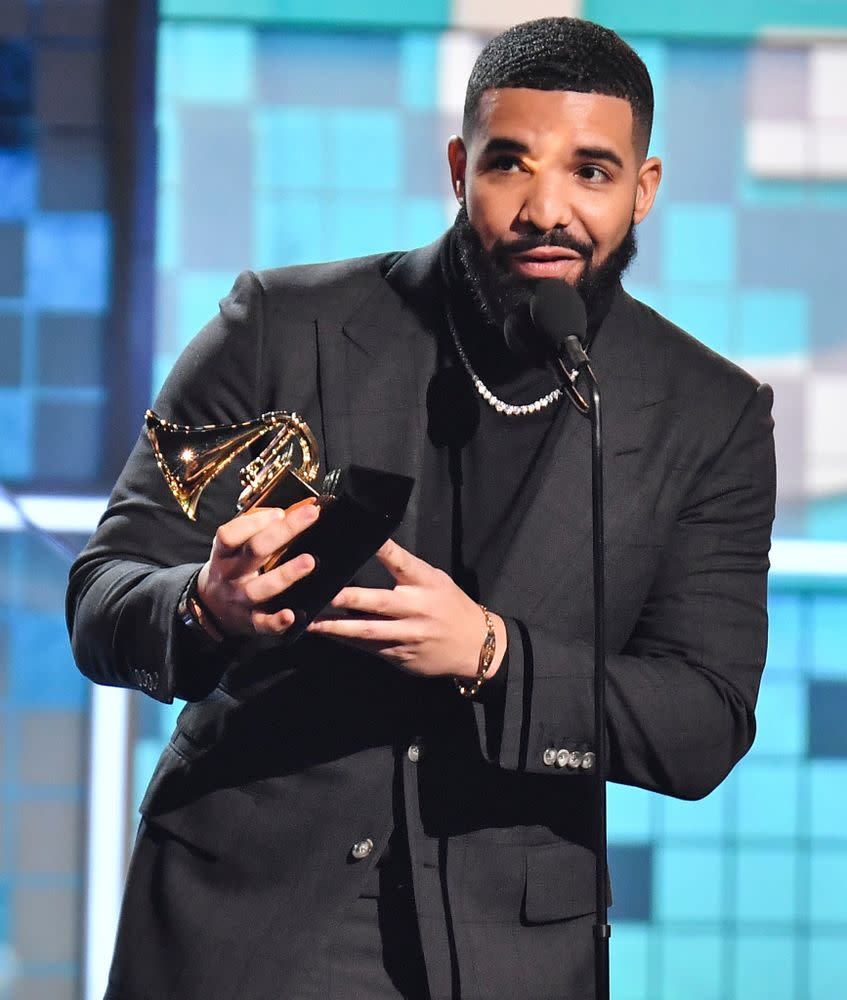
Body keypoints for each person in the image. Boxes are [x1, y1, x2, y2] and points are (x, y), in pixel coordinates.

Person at [67, 16, 776, 1000]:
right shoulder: (277, 324)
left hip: (507, 950)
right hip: (241, 922)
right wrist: (205, 606)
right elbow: (101, 598)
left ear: (642, 190)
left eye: (591, 172)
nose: (546, 208)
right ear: (457, 165)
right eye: (509, 165)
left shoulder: (709, 414)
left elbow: (702, 720)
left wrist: (492, 654)